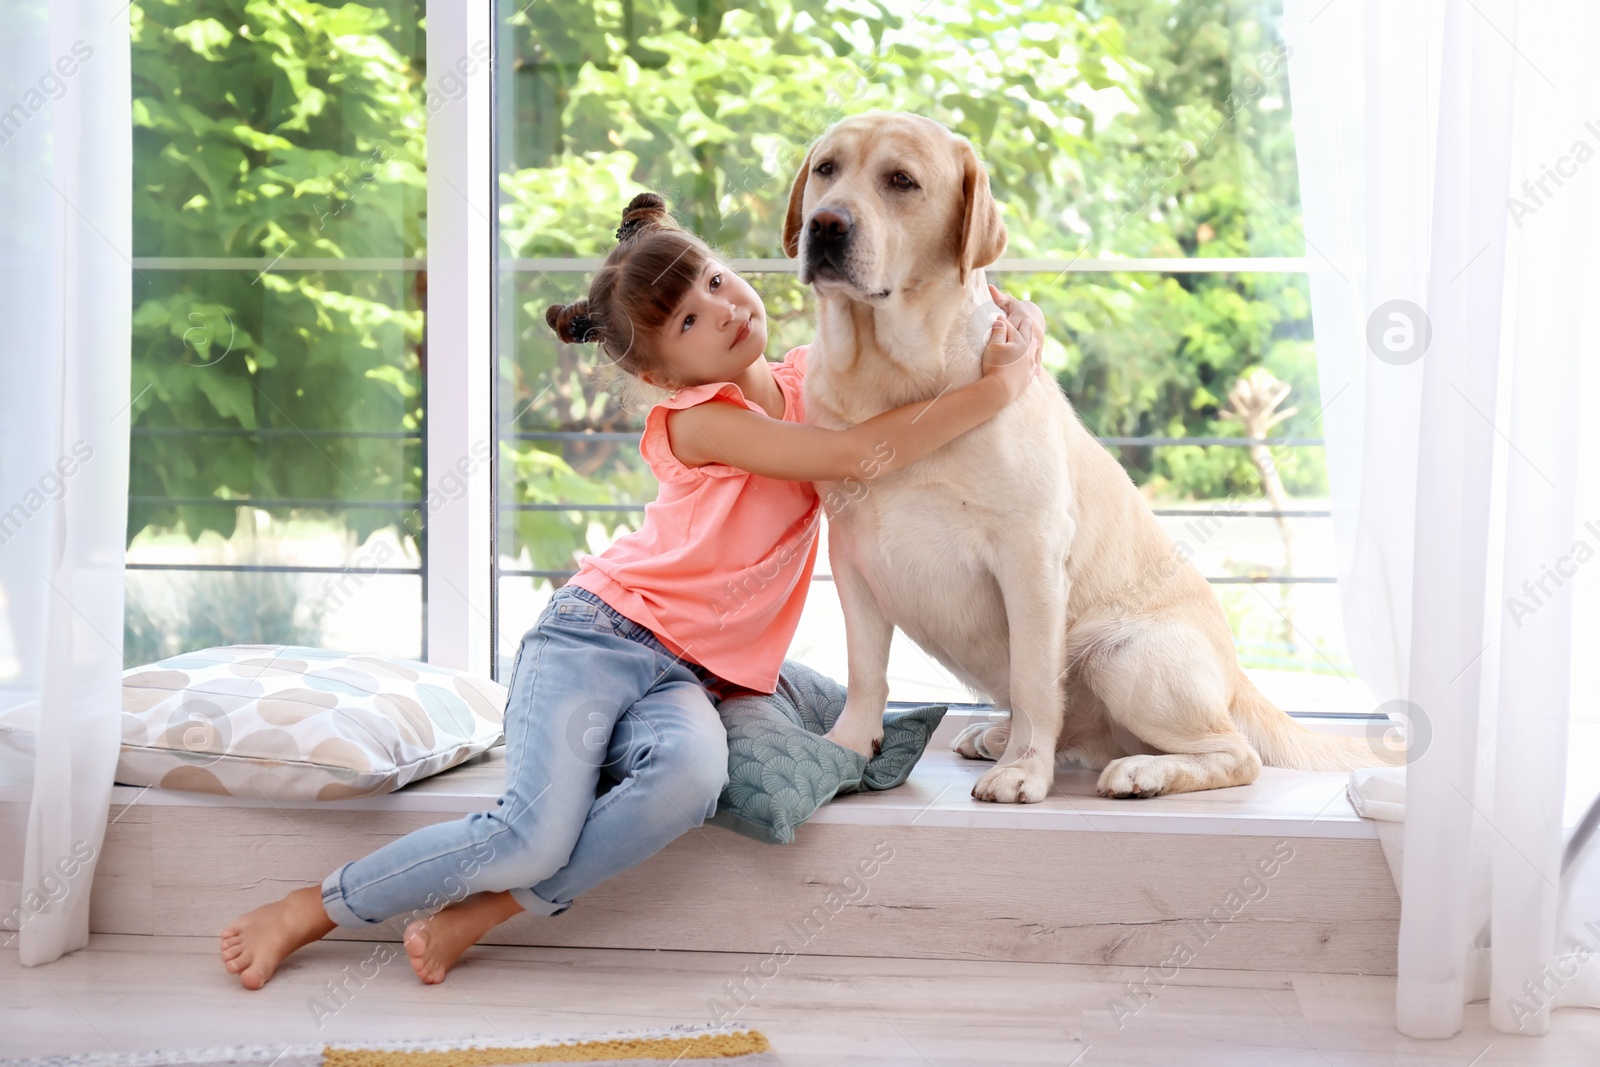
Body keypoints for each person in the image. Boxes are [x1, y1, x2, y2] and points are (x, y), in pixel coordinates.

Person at [220, 192, 1044, 988]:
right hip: (595, 637)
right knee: (529, 833)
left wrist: (1000, 334)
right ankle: (314, 907)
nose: (722, 309)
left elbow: (904, 392)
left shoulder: (810, 384)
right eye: (688, 320)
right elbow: (859, 455)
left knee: (690, 780)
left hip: (687, 676)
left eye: (716, 280)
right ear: (659, 371)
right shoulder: (697, 419)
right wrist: (998, 390)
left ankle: (487, 911)